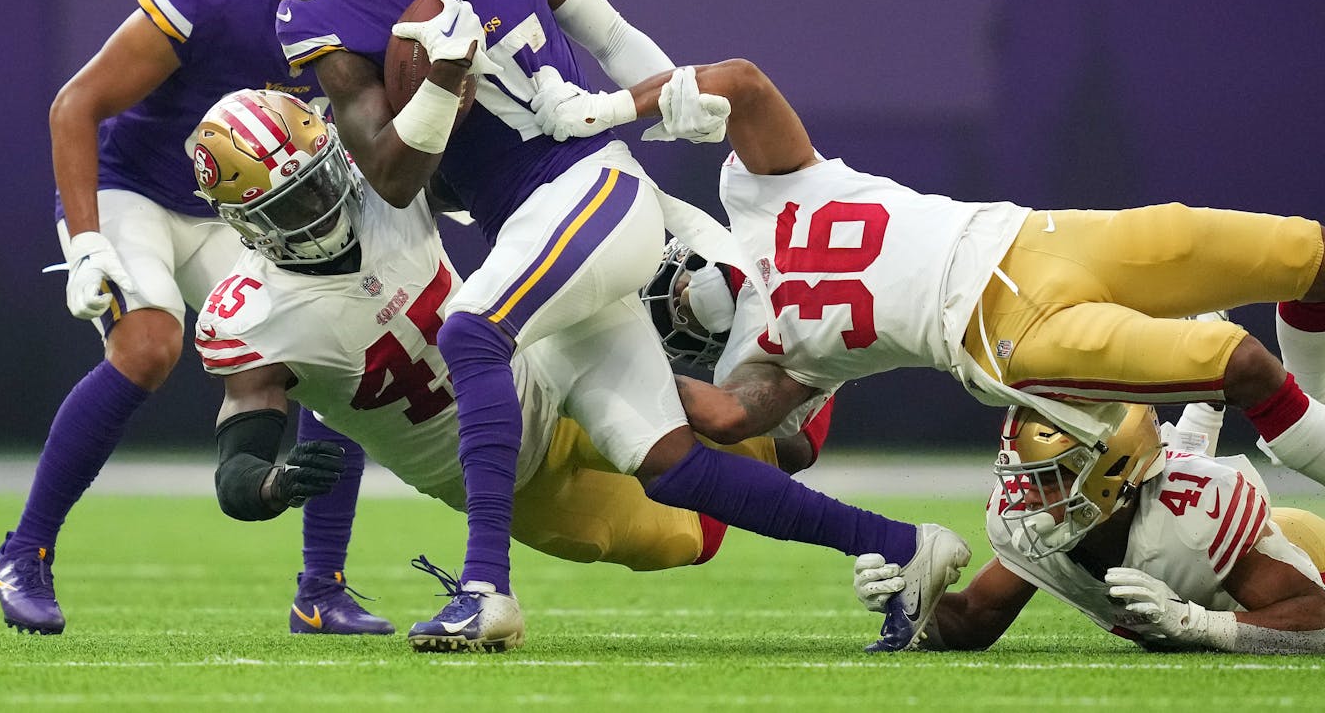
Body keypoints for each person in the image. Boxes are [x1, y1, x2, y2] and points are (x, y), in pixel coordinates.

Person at [267, 0, 963, 652]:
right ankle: (907, 548)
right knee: (670, 463)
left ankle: (485, 590)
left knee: (471, 332)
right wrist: (443, 86)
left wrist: (674, 95)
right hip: (525, 216)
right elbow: (394, 176)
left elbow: (601, 24)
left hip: (591, 184)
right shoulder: (321, 12)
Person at [530, 56, 1325, 649]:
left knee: (1305, 255)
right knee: (1240, 363)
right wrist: (610, 361)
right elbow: (746, 424)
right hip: (1004, 336)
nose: (685, 297)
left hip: (1035, 233)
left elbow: (739, 82)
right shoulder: (768, 361)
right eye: (669, 315)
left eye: (667, 284)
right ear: (689, 340)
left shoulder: (762, 193)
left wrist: (606, 108)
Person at [190, 90, 836, 602]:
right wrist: (273, 483)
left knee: (778, 444)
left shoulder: (380, 179)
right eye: (292, 201)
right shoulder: (254, 316)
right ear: (246, 223)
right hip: (511, 479)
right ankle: (801, 384)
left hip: (547, 371)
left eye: (321, 179)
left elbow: (484, 174)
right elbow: (235, 469)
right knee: (689, 539)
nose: (322, 205)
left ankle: (817, 346)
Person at [0, 0, 388, 638]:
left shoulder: (361, 0)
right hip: (135, 189)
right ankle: (21, 552)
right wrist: (89, 241)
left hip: (240, 217)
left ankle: (323, 585)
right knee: (147, 345)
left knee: (340, 348)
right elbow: (76, 104)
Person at [851, 403, 1325, 653]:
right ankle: (1199, 419)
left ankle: (1201, 416)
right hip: (1155, 488)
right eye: (1024, 479)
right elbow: (975, 618)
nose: (1025, 500)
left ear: (1110, 475)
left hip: (1303, 541)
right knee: (1178, 455)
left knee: (1186, 469)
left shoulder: (1196, 519)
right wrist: (913, 604)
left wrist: (1197, 623)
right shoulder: (1044, 526)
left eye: (1049, 479)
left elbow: (1317, 622)